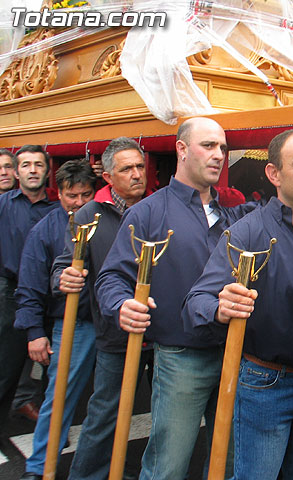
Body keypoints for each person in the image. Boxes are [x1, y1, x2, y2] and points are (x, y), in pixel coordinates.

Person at [183, 128, 293, 480]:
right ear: (274, 174)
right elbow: (196, 302)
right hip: (266, 386)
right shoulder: (248, 233)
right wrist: (220, 306)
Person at [96, 117, 254, 480]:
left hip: (236, 352)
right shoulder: (147, 211)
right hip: (182, 358)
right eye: (209, 146)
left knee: (228, 461)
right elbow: (111, 279)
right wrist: (122, 305)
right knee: (167, 466)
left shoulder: (232, 213)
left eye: (223, 148)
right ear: (181, 149)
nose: (219, 156)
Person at [51, 137, 150, 480]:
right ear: (108, 176)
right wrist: (63, 278)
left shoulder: (159, 208)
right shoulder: (87, 215)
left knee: (161, 413)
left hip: (162, 330)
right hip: (115, 331)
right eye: (127, 169)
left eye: (140, 166)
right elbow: (65, 264)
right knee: (106, 411)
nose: (137, 174)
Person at [14, 160, 97, 480]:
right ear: (58, 193)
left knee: (107, 400)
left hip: (107, 321)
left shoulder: (104, 220)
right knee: (59, 395)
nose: (77, 202)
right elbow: (30, 286)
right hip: (71, 322)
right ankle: (38, 467)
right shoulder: (46, 229)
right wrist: (35, 332)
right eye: (70, 196)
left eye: (84, 195)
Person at [0, 145, 58, 428]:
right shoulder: (4, 205)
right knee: (6, 368)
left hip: (50, 297)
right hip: (11, 295)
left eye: (38, 164)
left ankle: (49, 434)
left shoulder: (59, 209)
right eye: (25, 165)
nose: (32, 170)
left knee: (54, 372)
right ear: (16, 171)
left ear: (47, 170)